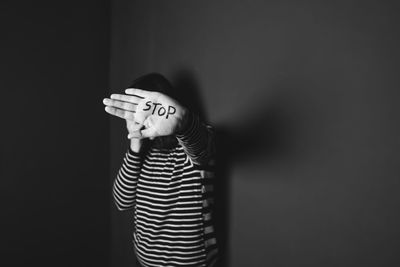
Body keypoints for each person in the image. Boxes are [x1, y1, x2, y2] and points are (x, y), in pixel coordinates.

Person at [103, 73, 219, 267]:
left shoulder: (190, 145)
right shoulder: (142, 153)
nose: (141, 117)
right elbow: (122, 201)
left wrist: (184, 123)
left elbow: (201, 149)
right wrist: (135, 142)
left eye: (147, 107)